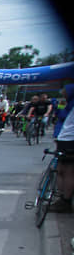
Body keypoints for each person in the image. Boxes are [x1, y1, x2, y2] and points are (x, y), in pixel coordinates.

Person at [50, 84, 74, 213]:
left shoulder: (70, 104)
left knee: (64, 171)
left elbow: (61, 115)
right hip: (67, 138)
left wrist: (56, 105)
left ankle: (64, 200)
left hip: (68, 139)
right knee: (65, 171)